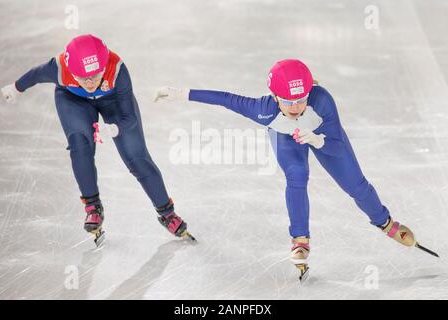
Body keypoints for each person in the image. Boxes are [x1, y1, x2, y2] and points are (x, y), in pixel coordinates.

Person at [154, 59, 436, 281]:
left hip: (323, 134)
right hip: (286, 138)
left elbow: (336, 148)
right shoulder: (263, 110)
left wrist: (317, 139)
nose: (296, 107)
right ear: (275, 97)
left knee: (356, 184)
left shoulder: (322, 101)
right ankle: (300, 239)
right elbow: (225, 99)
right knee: (297, 176)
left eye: (301, 99)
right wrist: (180, 93)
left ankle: (385, 222)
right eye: (288, 101)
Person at [1, 34, 194, 246]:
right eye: (84, 78)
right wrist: (16, 87)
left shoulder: (117, 69)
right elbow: (36, 74)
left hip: (113, 102)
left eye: (96, 75)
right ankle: (93, 206)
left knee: (137, 157)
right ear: (72, 70)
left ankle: (167, 213)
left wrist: (114, 128)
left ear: (104, 66)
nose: (91, 83)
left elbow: (129, 118)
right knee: (80, 145)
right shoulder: (60, 68)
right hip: (73, 100)